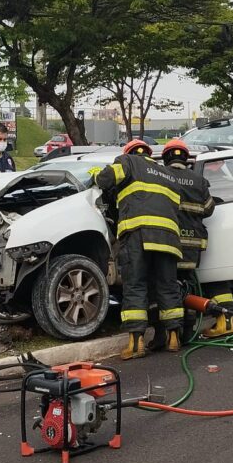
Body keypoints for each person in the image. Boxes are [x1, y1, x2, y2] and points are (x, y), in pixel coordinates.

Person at [93, 139, 184, 360]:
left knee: (135, 286)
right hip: (168, 238)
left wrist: (95, 174)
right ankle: (174, 337)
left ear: (129, 153)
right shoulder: (167, 174)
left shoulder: (128, 162)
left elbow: (107, 178)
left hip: (138, 235)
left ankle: (135, 344)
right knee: (168, 286)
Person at [147, 138, 214, 353]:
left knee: (162, 288)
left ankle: (160, 335)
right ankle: (186, 333)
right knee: (188, 287)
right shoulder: (199, 180)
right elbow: (209, 209)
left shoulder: (162, 177)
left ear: (166, 157)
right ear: (186, 158)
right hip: (192, 244)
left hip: (168, 243)